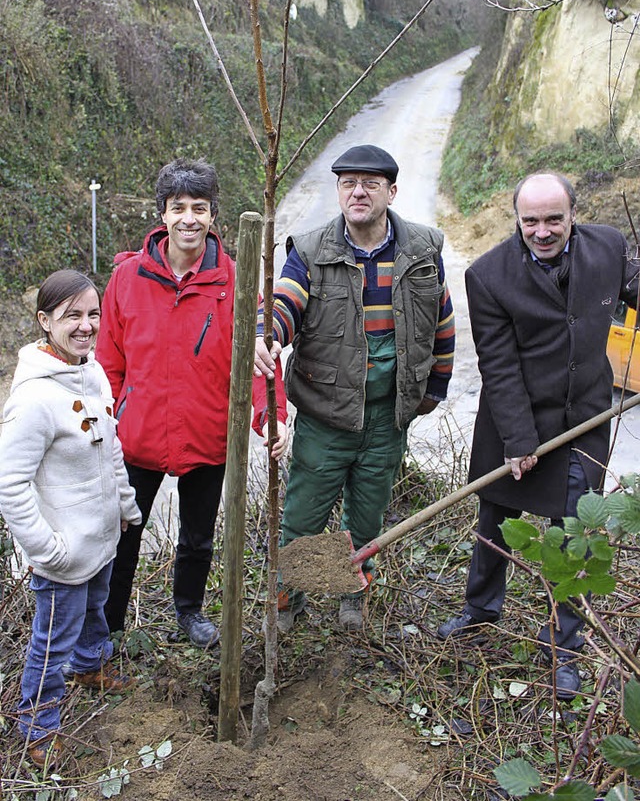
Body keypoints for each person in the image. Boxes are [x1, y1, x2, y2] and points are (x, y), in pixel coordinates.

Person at [437, 171, 640, 699]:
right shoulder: (488, 276)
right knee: (496, 521)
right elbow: (499, 366)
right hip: (515, 421)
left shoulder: (610, 248)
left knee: (574, 535)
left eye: (554, 219)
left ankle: (564, 650)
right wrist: (520, 439)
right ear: (517, 219)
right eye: (531, 221)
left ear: (574, 213)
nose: (543, 231)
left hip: (585, 421)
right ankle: (480, 611)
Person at [254, 144, 455, 632]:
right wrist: (267, 335)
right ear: (339, 191)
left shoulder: (423, 251)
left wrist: (434, 390)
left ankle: (353, 591)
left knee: (367, 518)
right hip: (327, 415)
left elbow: (442, 322)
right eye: (348, 183)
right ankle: (288, 600)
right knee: (302, 516)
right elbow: (285, 302)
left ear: (391, 191)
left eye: (370, 183)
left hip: (387, 417)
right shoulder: (311, 251)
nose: (358, 191)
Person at [95, 158, 288, 649]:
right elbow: (108, 362)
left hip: (206, 433)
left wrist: (271, 415)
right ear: (162, 214)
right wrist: (110, 418)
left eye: (199, 208)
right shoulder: (127, 279)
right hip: (135, 437)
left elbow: (259, 359)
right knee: (123, 535)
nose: (188, 218)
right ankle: (109, 625)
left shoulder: (236, 281)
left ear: (213, 217)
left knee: (198, 536)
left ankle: (190, 612)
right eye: (177, 207)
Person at [0, 270, 141, 769]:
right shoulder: (33, 400)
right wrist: (48, 550)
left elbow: (112, 449)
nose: (85, 326)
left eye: (92, 314)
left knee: (95, 612)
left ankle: (89, 668)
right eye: (71, 316)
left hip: (101, 538)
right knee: (52, 638)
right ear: (44, 321)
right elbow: (10, 487)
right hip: (63, 552)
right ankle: (37, 725)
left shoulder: (94, 371)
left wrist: (125, 505)